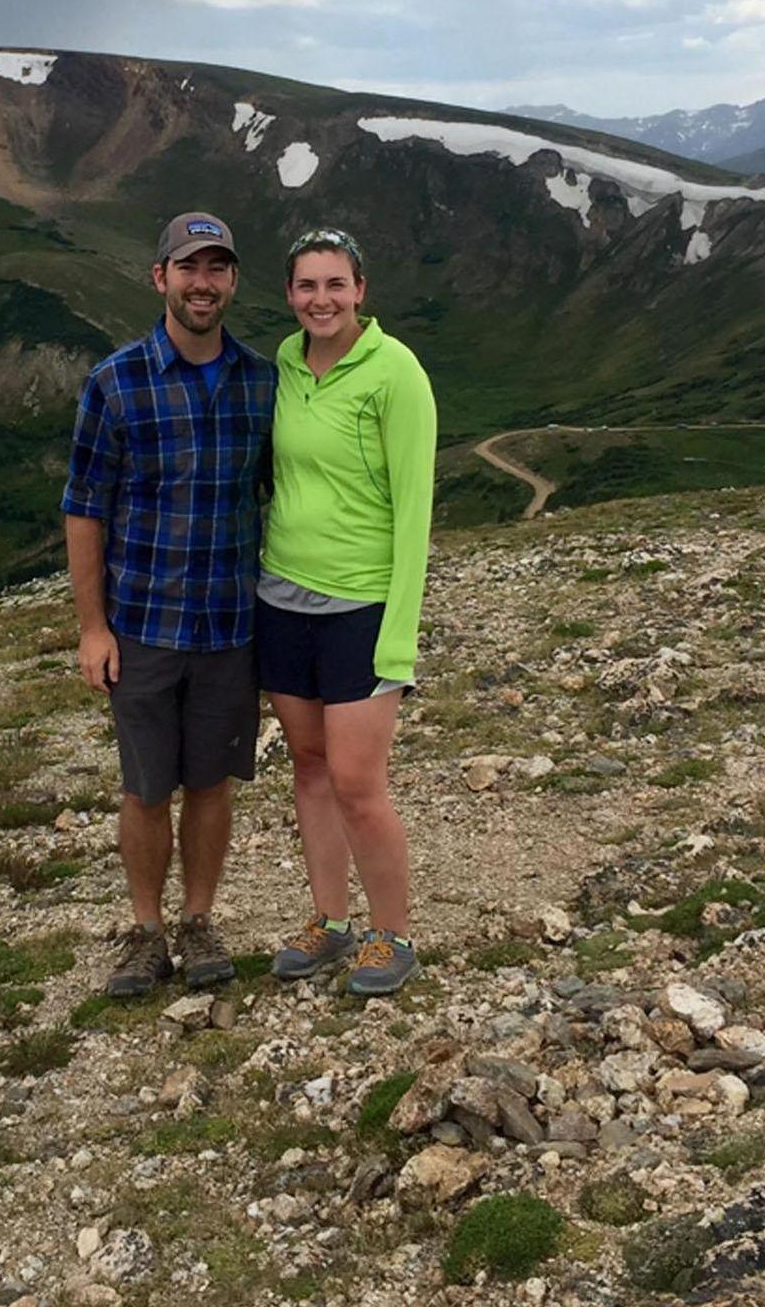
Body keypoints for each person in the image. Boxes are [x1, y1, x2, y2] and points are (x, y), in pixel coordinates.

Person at [61, 212, 275, 998]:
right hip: (144, 624)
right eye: (189, 268)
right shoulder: (115, 381)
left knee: (213, 784)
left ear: (232, 282)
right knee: (146, 788)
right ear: (160, 278)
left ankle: (198, 919)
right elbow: (84, 506)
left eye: (217, 268)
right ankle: (146, 932)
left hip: (229, 626)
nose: (203, 283)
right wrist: (92, 629)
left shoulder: (261, 381)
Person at [258, 227, 437, 996]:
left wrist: (397, 638)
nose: (320, 300)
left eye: (335, 285)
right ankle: (330, 922)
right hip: (281, 596)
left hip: (360, 606)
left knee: (359, 783)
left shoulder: (396, 372)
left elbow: (414, 512)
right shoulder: (286, 364)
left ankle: (390, 934)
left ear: (361, 290)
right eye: (306, 286)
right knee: (309, 768)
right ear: (291, 295)